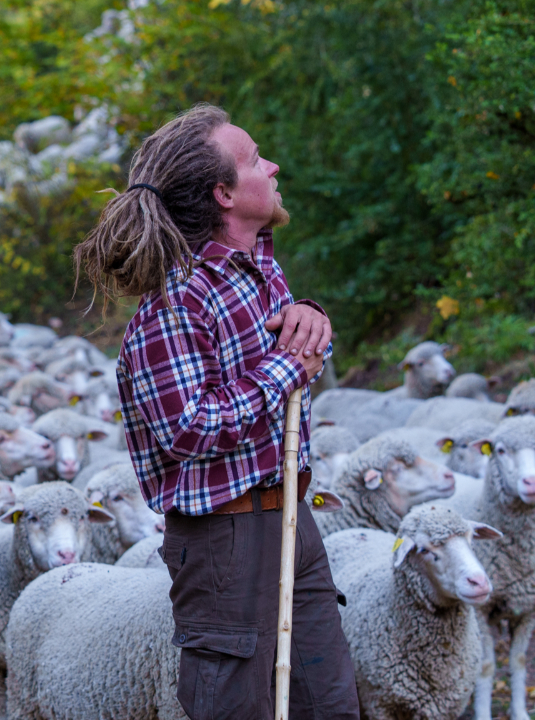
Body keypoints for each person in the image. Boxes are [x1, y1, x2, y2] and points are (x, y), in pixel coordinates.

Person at [74, 104, 359, 719]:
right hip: (227, 541)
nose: (273, 164)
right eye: (255, 159)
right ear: (224, 193)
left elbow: (293, 349)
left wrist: (310, 316)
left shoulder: (258, 270)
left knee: (329, 704)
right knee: (234, 709)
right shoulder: (174, 305)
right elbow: (189, 427)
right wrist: (289, 369)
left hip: (289, 516)